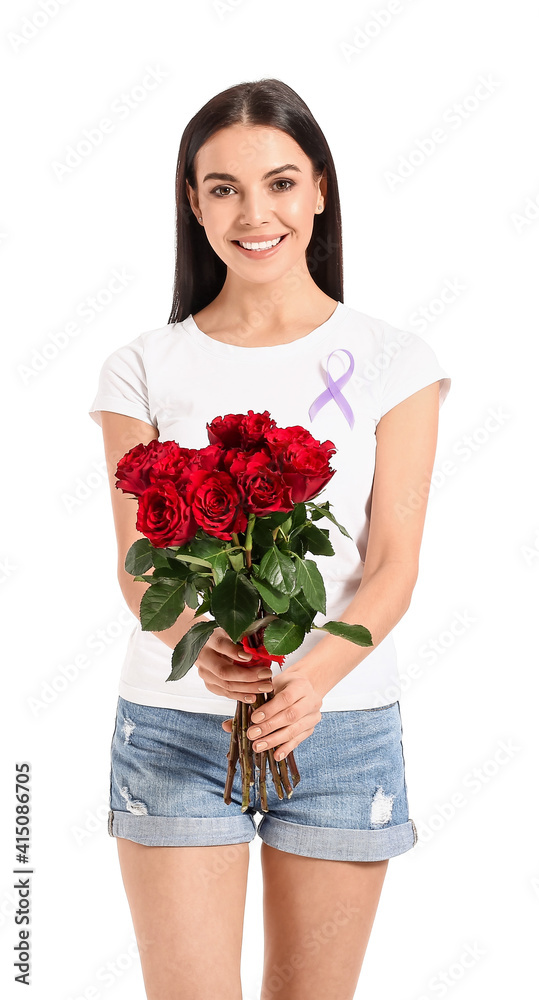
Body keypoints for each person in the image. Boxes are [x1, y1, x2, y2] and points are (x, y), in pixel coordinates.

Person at [88, 78, 451, 1000]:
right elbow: (141, 570)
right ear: (193, 202)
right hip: (175, 732)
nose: (255, 214)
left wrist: (310, 680)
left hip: (342, 731)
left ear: (320, 190)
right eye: (223, 188)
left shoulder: (394, 358)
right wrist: (200, 645)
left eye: (281, 183)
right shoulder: (142, 366)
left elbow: (393, 568)